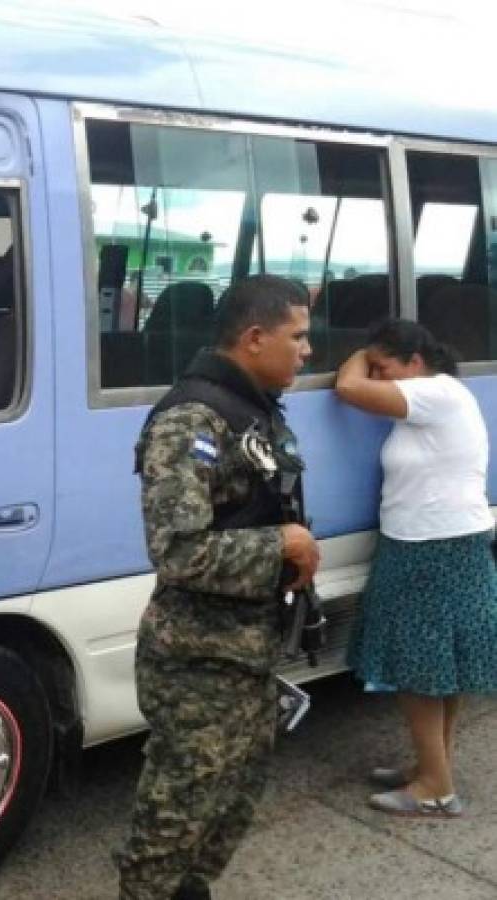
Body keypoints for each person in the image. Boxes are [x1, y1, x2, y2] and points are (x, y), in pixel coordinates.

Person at [116, 275, 319, 900]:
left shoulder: (252, 407)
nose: (308, 350)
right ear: (255, 338)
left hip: (247, 651)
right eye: (299, 336)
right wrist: (282, 545)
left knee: (230, 805)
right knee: (173, 818)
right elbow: (180, 551)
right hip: (197, 660)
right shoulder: (190, 420)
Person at [335, 319, 497, 818]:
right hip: (439, 542)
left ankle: (434, 789)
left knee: (417, 668)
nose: (379, 377)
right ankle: (435, 768)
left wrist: (364, 353)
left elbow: (347, 386)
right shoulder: (435, 397)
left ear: (415, 362)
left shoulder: (434, 393)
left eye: (386, 367)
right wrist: (381, 357)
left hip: (431, 546)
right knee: (440, 669)